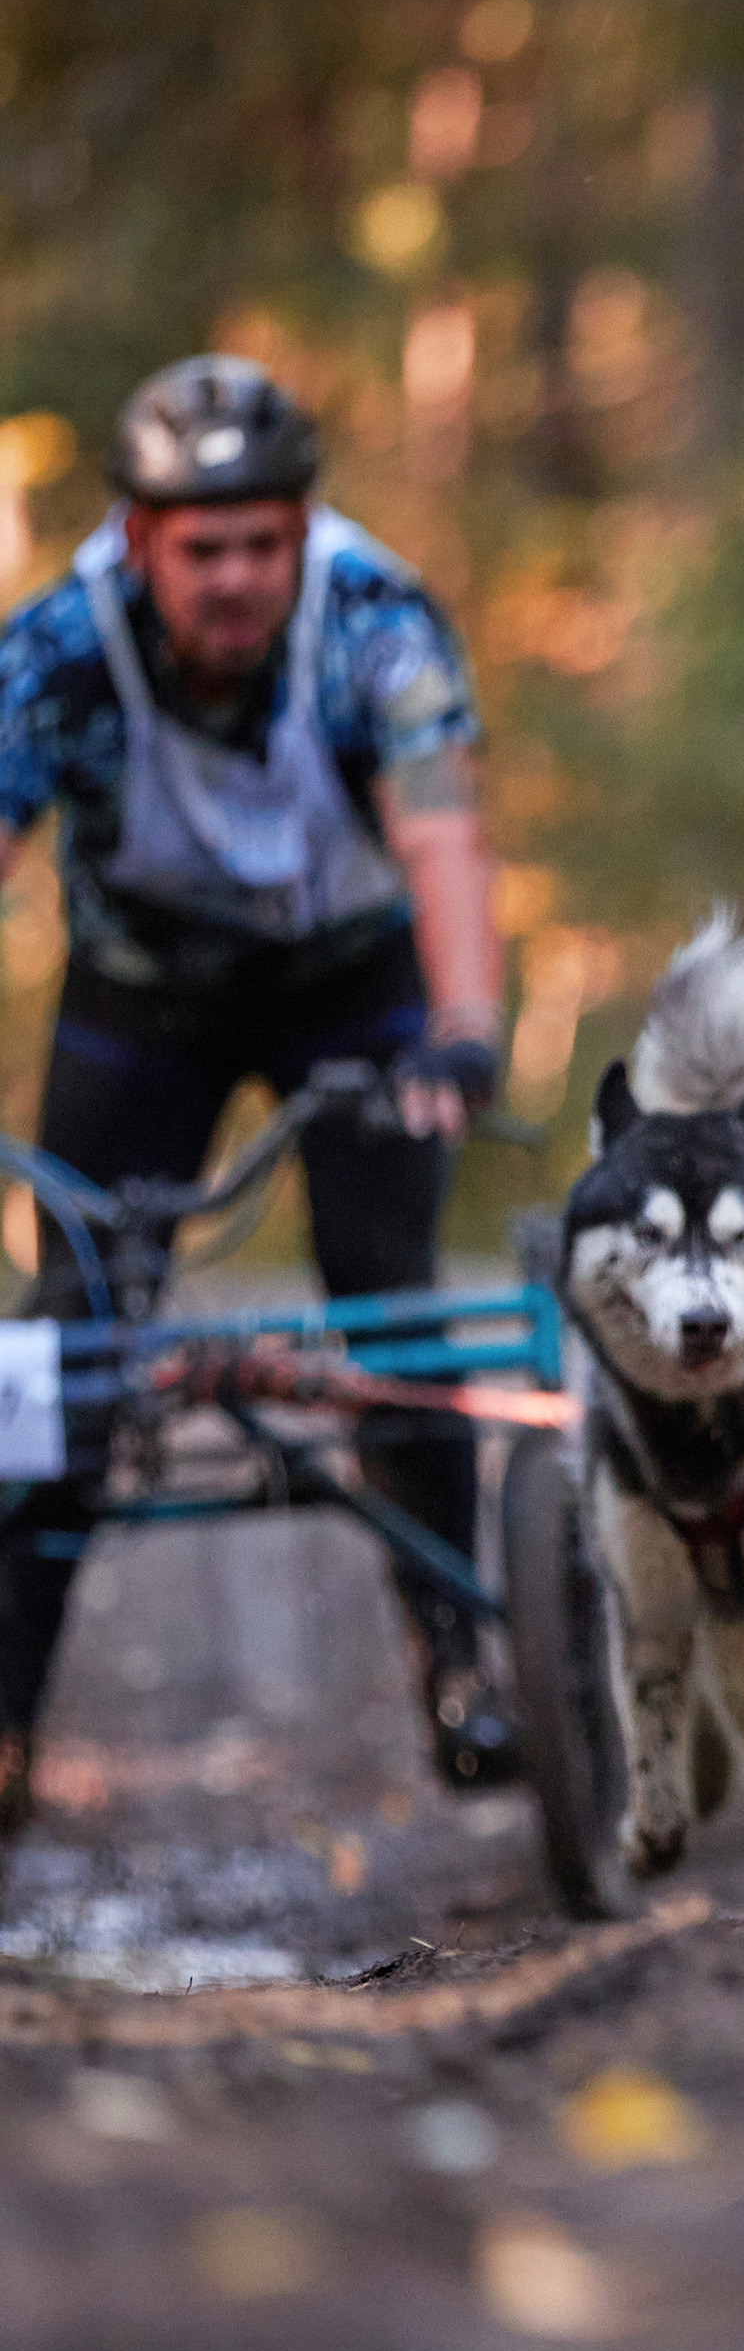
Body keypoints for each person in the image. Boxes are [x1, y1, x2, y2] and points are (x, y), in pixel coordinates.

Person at [0, 354, 521, 1830]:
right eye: (200, 547)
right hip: (140, 1004)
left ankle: (462, 1666)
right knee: (70, 1355)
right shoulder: (54, 652)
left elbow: (440, 838)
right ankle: (6, 1724)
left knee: (394, 1313)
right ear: (139, 538)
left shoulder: (376, 621)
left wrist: (466, 1030)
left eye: (261, 544)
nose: (234, 579)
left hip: (346, 987)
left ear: (303, 531)